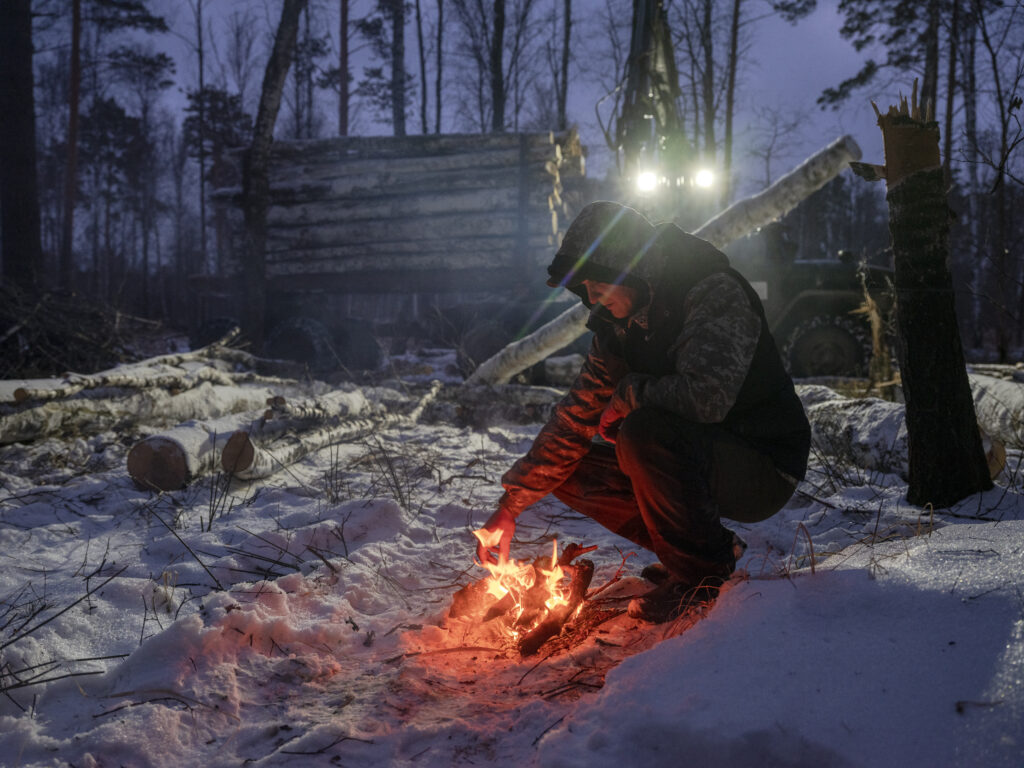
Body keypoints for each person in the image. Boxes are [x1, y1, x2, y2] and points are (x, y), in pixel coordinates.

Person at [475, 201, 811, 623]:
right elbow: (575, 419)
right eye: (585, 288)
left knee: (642, 432)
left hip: (761, 465)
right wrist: (510, 507)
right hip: (699, 456)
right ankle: (704, 550)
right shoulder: (618, 327)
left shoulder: (711, 291)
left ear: (631, 270)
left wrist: (629, 394)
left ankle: (701, 576)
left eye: (599, 283)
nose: (592, 299)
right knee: (569, 470)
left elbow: (706, 398)